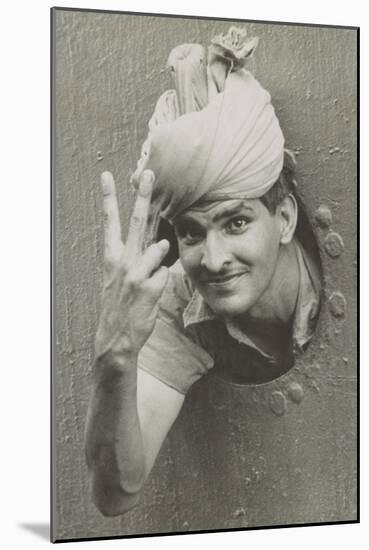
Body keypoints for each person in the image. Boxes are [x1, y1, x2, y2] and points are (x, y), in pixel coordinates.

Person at [84, 27, 322, 517]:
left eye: (236, 223)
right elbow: (114, 492)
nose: (212, 259)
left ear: (285, 219)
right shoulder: (180, 300)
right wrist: (116, 349)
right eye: (192, 233)